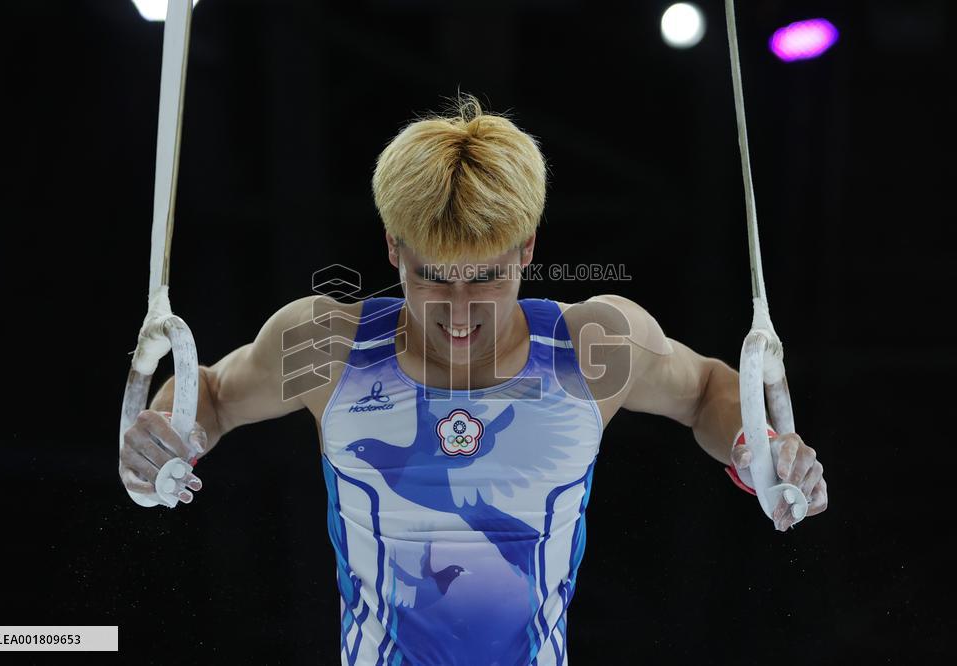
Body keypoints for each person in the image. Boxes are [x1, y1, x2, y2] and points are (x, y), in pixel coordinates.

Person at [119, 94, 828, 665]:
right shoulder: (328, 349)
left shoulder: (593, 348)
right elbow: (212, 393)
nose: (459, 315)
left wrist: (757, 446)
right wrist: (169, 433)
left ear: (527, 250)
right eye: (433, 278)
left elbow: (706, 389)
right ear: (393, 250)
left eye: (486, 278)